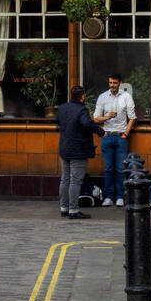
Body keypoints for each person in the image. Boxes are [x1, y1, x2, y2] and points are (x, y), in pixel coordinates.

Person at [57, 86, 105, 220]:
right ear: (82, 97)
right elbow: (87, 123)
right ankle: (73, 209)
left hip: (64, 148)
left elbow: (59, 124)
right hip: (78, 150)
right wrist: (101, 132)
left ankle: (64, 208)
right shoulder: (82, 110)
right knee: (75, 180)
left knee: (65, 179)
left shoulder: (62, 108)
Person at [93, 73, 136, 207]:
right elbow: (95, 118)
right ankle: (108, 197)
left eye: (115, 83)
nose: (112, 86)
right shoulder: (103, 97)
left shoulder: (126, 96)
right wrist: (107, 117)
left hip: (121, 136)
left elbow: (133, 117)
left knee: (120, 168)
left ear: (120, 83)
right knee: (108, 168)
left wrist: (125, 134)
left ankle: (120, 196)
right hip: (107, 135)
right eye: (110, 83)